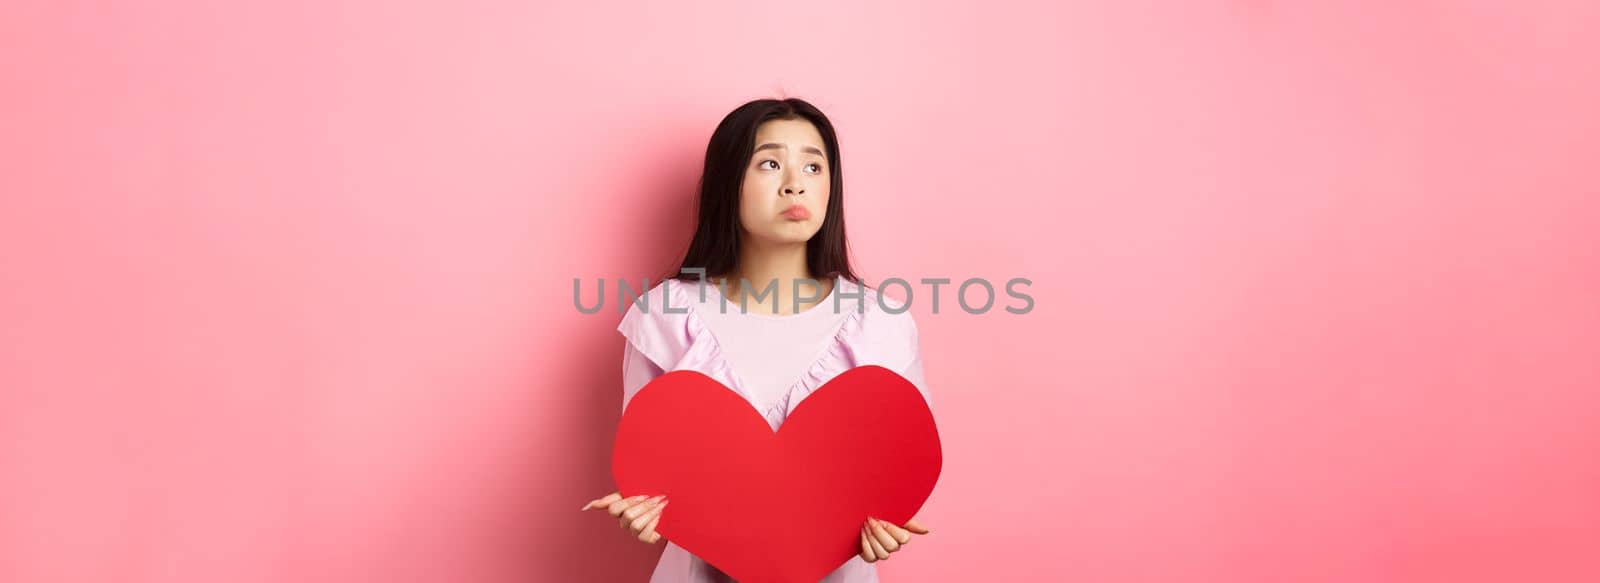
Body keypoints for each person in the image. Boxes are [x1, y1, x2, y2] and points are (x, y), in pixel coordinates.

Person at [581, 98, 933, 582]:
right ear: (729, 184)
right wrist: (645, 513)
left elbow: (902, 461)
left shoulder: (880, 321)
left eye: (814, 164)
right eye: (770, 163)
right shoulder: (665, 315)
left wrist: (883, 523)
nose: (796, 182)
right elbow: (649, 466)